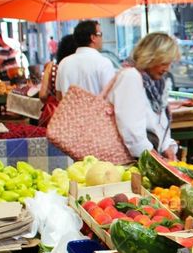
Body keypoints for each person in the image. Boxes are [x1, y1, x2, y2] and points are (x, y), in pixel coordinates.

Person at [109, 32, 180, 161]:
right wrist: (153, 157)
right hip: (131, 160)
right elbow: (131, 129)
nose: (167, 69)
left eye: (169, 63)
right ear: (151, 57)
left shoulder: (156, 84)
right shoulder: (131, 77)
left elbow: (158, 123)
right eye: (163, 63)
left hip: (146, 156)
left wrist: (166, 147)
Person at [56, 20, 115, 96]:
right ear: (93, 37)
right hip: (96, 108)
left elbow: (59, 96)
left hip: (69, 107)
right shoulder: (103, 63)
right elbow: (110, 97)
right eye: (100, 34)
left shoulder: (63, 63)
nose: (102, 38)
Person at [38, 34, 77, 126]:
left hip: (54, 116)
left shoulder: (52, 67)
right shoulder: (82, 68)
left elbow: (43, 95)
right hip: (77, 116)